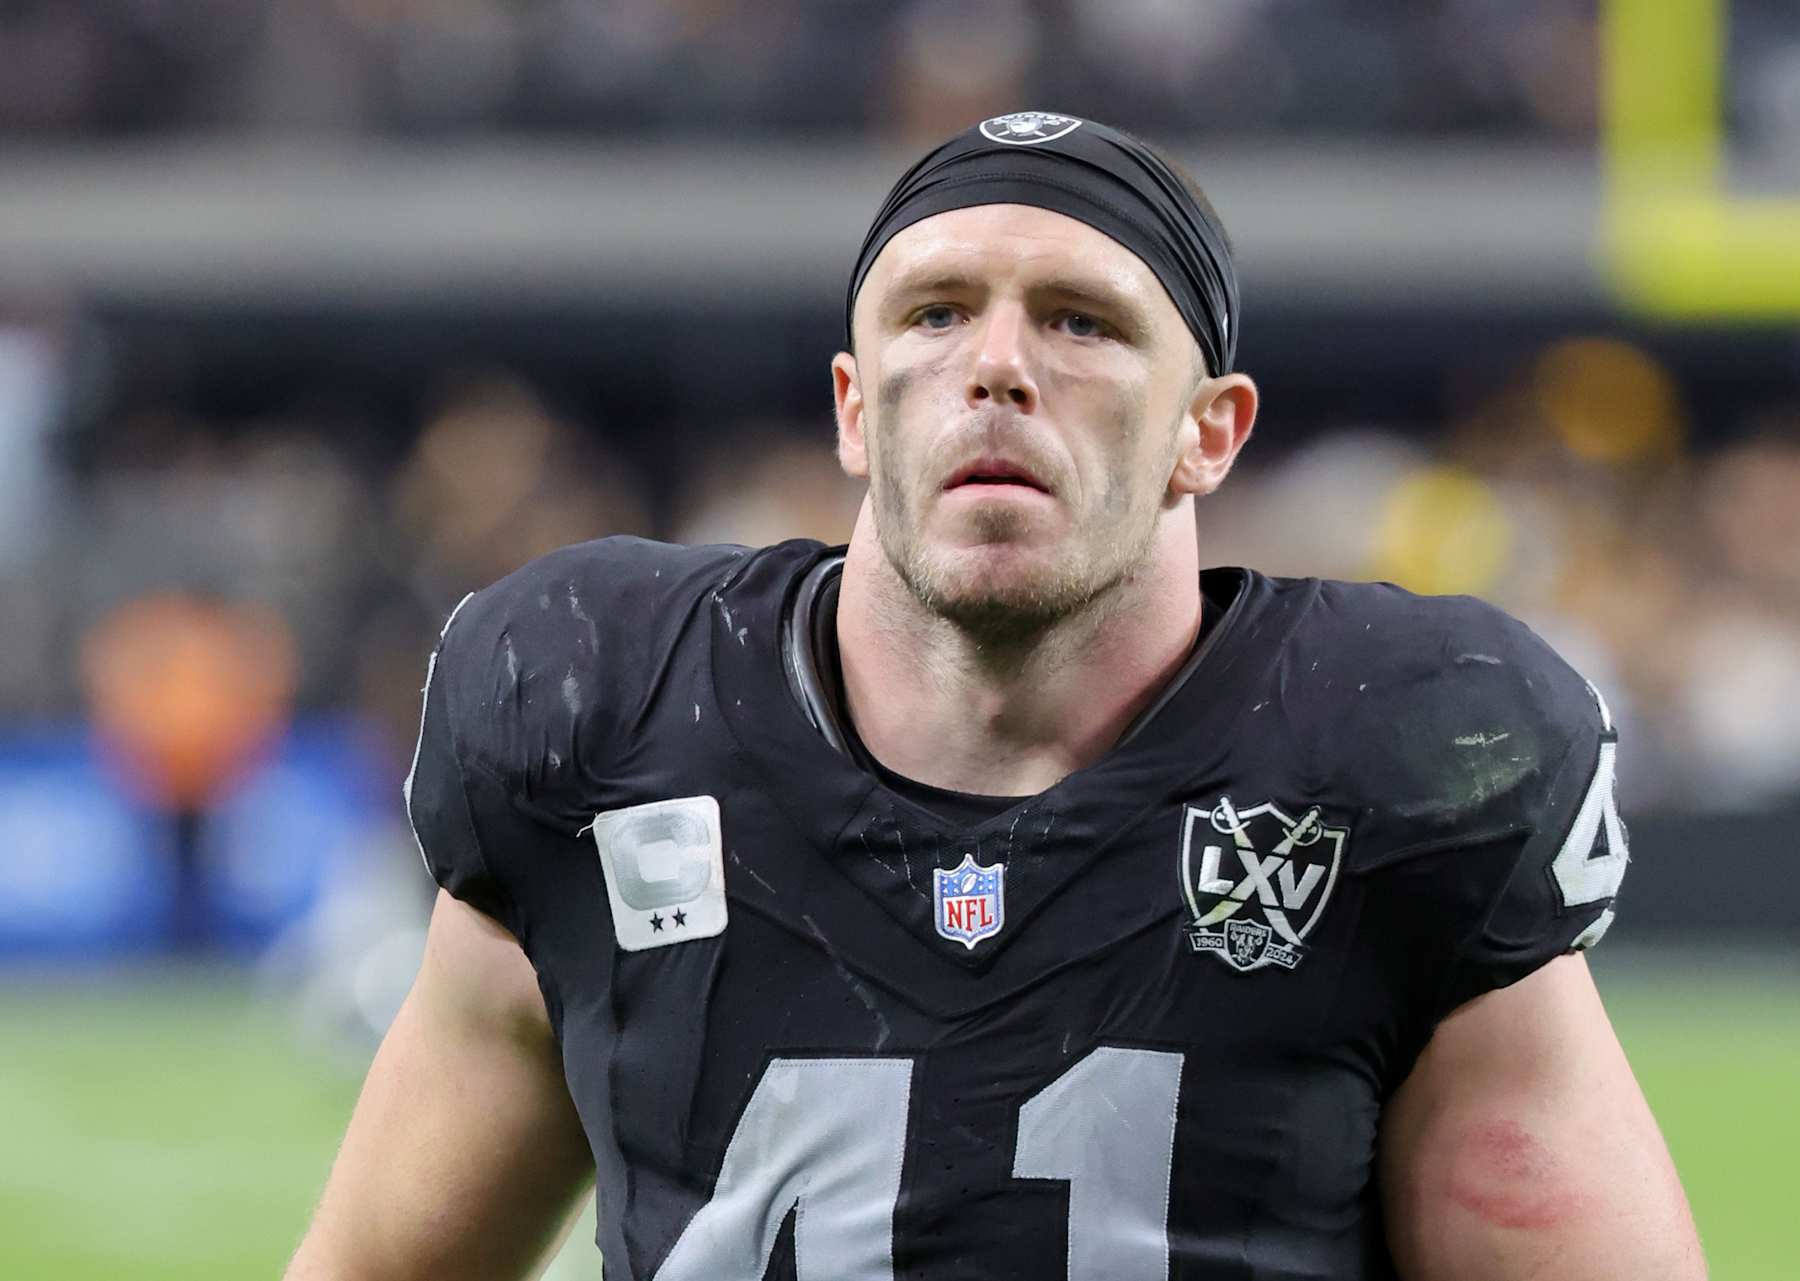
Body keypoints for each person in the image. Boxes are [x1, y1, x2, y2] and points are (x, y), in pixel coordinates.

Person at [285, 111, 1704, 1280]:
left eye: (1083, 323)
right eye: (936, 313)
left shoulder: (1398, 759)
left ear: (1208, 433)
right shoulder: (606, 714)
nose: (999, 368)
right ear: (855, 408)